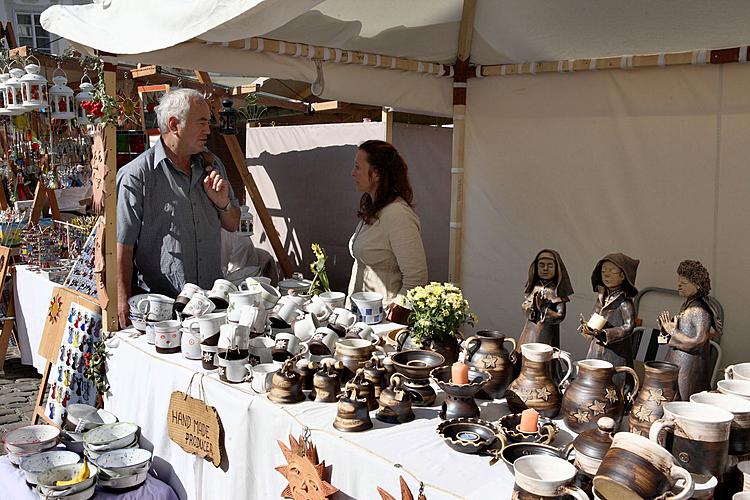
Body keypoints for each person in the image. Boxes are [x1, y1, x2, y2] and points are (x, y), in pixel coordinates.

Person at [116, 88, 239, 326]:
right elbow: (124, 245)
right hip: (163, 311)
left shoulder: (213, 165)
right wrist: (122, 301)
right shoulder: (137, 175)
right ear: (174, 124)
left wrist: (222, 202)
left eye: (209, 122)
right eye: (202, 122)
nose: (208, 130)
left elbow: (233, 223)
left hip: (211, 306)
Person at [347, 140, 428, 319]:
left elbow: (417, 278)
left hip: (381, 323)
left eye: (358, 167)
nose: (353, 173)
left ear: (376, 174)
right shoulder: (375, 208)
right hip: (360, 319)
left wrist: (393, 318)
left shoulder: (398, 214)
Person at [657, 260, 719, 399]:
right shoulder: (688, 305)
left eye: (684, 283)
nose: (679, 285)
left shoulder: (698, 310)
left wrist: (672, 331)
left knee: (684, 398)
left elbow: (698, 341)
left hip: (689, 367)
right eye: (679, 281)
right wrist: (666, 330)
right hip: (679, 363)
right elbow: (681, 332)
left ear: (697, 285)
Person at [580, 253, 639, 369]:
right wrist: (588, 327)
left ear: (623, 276)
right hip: (596, 346)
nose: (606, 275)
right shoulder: (602, 296)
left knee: (612, 379)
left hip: (616, 352)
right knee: (593, 375)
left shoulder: (624, 302)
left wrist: (606, 334)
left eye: (612, 271)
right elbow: (595, 315)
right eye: (603, 271)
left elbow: (629, 326)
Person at [518, 249, 574, 349]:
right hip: (529, 330)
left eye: (550, 265)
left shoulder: (557, 291)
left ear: (557, 268)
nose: (545, 269)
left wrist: (544, 308)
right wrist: (528, 308)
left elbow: (560, 315)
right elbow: (525, 305)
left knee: (544, 359)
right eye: (541, 265)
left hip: (547, 333)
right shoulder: (534, 287)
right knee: (524, 354)